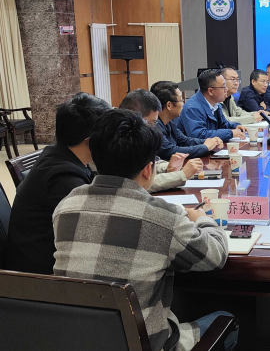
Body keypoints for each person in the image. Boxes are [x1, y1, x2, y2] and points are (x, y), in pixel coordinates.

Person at [53, 109, 237, 351]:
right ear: (148, 169)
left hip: (75, 339)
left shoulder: (66, 206)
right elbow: (215, 256)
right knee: (227, 319)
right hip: (143, 344)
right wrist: (203, 219)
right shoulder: (164, 217)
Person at [6, 92, 110, 274]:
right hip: (40, 277)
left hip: (42, 259)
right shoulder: (64, 178)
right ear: (91, 141)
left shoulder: (59, 155)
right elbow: (93, 230)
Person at [120, 88, 219, 193]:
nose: (154, 127)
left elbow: (150, 164)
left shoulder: (137, 136)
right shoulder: (122, 141)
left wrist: (167, 167)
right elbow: (139, 183)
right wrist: (182, 175)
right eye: (152, 122)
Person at [150, 81, 224, 159]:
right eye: (181, 100)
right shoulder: (154, 126)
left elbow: (184, 141)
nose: (183, 104)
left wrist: (210, 142)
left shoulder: (170, 122)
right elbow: (170, 151)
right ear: (169, 105)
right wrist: (205, 147)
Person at [177, 69, 247, 141]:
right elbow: (199, 135)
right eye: (223, 86)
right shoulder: (193, 108)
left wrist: (235, 126)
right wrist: (230, 133)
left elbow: (223, 124)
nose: (226, 89)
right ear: (210, 91)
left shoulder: (216, 104)